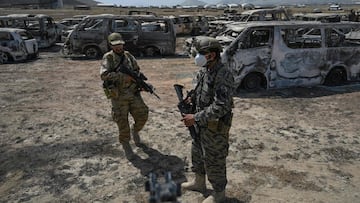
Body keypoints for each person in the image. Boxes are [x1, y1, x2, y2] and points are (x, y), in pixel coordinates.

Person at [181, 37, 234, 203]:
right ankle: (199, 182)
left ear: (212, 55)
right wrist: (192, 99)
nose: (198, 56)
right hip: (201, 125)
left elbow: (222, 106)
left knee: (214, 160)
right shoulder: (205, 70)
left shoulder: (223, 73)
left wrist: (195, 117)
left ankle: (219, 193)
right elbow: (201, 90)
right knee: (197, 154)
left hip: (214, 128)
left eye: (201, 53)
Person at [100, 32, 149, 159]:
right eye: (115, 45)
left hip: (133, 92)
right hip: (118, 95)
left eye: (120, 44)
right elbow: (104, 75)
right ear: (111, 45)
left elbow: (136, 70)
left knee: (143, 113)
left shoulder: (128, 55)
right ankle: (126, 144)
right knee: (122, 121)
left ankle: (135, 130)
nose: (118, 47)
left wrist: (139, 81)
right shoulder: (108, 57)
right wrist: (124, 76)